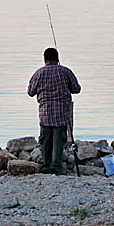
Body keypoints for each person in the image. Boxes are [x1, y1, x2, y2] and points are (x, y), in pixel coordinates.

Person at [28, 47, 81, 175]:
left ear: (44, 59)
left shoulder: (39, 73)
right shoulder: (65, 71)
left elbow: (30, 92)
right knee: (59, 140)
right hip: (62, 112)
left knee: (45, 140)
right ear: (57, 59)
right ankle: (56, 166)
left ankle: (46, 166)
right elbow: (76, 89)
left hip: (45, 112)